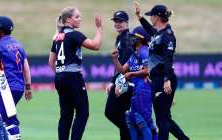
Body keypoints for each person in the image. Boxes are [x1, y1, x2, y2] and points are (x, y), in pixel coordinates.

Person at [134, 2, 189, 140]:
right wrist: (140, 17)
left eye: (151, 15)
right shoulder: (159, 33)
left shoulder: (168, 36)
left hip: (164, 79)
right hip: (158, 79)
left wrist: (166, 80)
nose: (150, 18)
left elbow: (168, 59)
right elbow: (149, 30)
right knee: (165, 118)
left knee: (161, 119)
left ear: (157, 17)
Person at [48, 7, 103, 140]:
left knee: (66, 114)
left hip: (60, 78)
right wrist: (100, 28)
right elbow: (95, 46)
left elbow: (51, 61)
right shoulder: (74, 34)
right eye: (77, 17)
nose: (80, 19)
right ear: (68, 19)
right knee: (83, 113)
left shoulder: (57, 37)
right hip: (73, 77)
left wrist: (61, 74)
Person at [0, 16, 32, 140]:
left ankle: (14, 137)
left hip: (5, 87)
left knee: (9, 119)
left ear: (0, 30)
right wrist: (28, 88)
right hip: (18, 88)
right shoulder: (19, 45)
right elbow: (26, 68)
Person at [111, 27, 157, 140]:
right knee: (133, 122)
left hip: (144, 90)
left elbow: (147, 71)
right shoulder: (134, 54)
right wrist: (115, 59)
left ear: (140, 39)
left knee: (142, 122)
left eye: (134, 37)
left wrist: (131, 74)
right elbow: (122, 70)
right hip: (136, 91)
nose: (131, 39)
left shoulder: (144, 51)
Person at [104, 10, 133, 140]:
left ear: (127, 23)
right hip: (121, 79)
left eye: (120, 21)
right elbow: (119, 63)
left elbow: (126, 65)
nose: (117, 23)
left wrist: (118, 82)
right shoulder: (120, 38)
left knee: (110, 112)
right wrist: (112, 81)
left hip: (125, 81)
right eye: (115, 21)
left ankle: (131, 130)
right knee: (120, 114)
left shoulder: (127, 38)